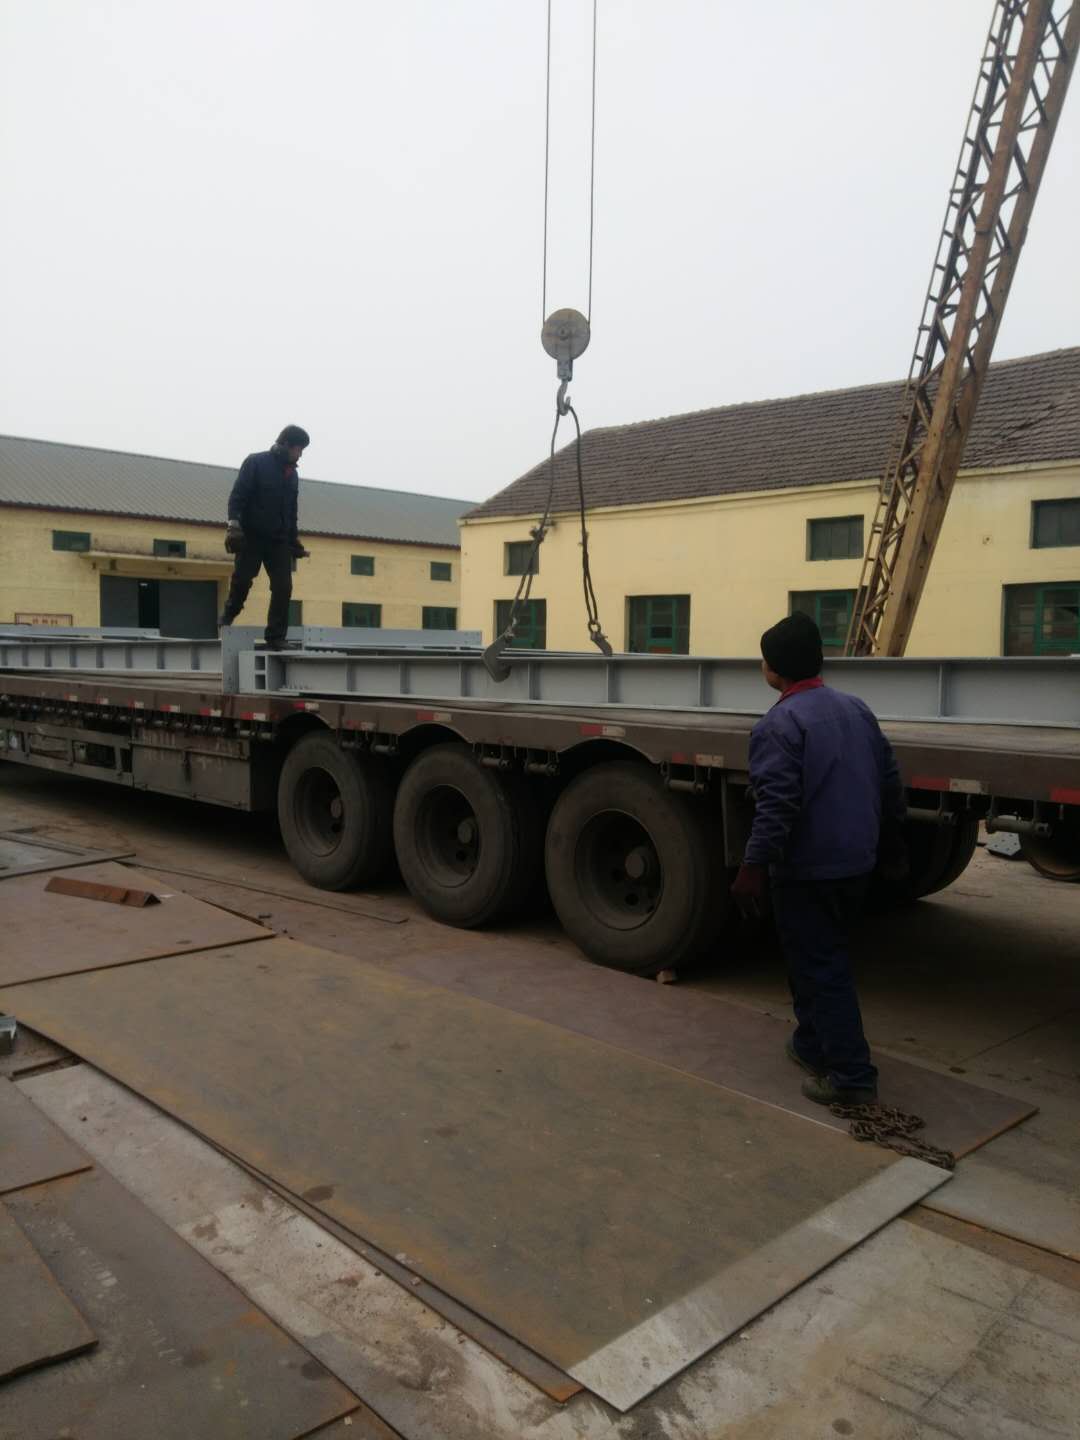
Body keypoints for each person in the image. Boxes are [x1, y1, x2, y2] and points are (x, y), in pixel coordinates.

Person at [729, 611, 907, 1106]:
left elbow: (776, 807)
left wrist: (752, 868)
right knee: (813, 957)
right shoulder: (856, 709)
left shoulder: (778, 725)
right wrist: (892, 846)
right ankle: (811, 1043)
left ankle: (852, 1078)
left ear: (773, 670)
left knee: (821, 967)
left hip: (809, 869)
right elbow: (890, 781)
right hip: (856, 862)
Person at [219, 425, 311, 646]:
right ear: (286, 444)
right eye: (299, 449)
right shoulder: (256, 463)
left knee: (283, 587)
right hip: (251, 536)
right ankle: (228, 615)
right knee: (242, 581)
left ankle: (276, 637)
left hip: (278, 541)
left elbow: (291, 510)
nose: (300, 454)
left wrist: (294, 540)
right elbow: (238, 496)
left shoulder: (293, 475)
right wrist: (234, 525)